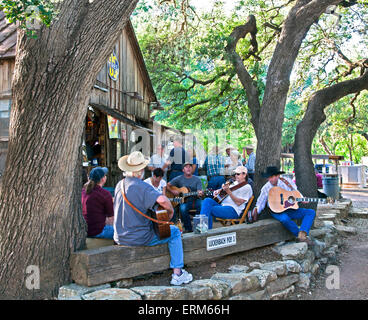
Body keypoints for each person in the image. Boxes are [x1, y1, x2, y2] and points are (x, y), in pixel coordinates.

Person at [114, 151, 193, 286]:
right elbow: (163, 200)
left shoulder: (119, 185)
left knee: (162, 229)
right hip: (139, 237)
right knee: (174, 232)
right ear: (140, 171)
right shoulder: (142, 186)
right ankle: (178, 274)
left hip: (119, 236)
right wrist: (171, 210)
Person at [252, 166, 316, 245]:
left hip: (290, 209)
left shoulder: (287, 182)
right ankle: (298, 235)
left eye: (272, 177)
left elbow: (295, 192)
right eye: (269, 177)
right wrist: (255, 211)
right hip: (276, 211)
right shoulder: (266, 188)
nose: (270, 179)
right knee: (284, 219)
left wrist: (302, 198)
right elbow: (260, 203)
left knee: (310, 212)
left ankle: (302, 234)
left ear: (278, 176)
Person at [166, 163, 204, 233]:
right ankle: (188, 228)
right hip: (184, 201)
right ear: (183, 170)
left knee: (202, 204)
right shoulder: (179, 178)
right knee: (182, 208)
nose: (188, 168)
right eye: (186, 167)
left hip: (195, 200)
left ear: (192, 169)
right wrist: (173, 191)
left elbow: (200, 191)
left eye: (190, 167)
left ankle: (198, 226)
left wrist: (200, 193)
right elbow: (167, 185)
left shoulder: (197, 179)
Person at [82, 167, 114, 239]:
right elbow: (111, 218)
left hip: (84, 230)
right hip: (97, 231)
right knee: (123, 233)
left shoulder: (82, 191)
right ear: (103, 179)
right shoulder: (105, 194)